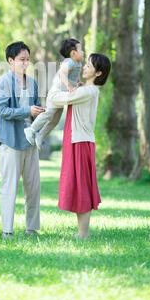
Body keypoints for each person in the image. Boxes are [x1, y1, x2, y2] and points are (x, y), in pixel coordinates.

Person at [49, 53, 111, 239]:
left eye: (89, 66)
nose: (84, 67)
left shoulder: (87, 92)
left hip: (81, 142)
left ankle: (83, 234)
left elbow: (55, 98)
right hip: (77, 140)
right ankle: (81, 232)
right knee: (78, 185)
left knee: (82, 185)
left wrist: (60, 78)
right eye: (85, 64)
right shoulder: (86, 90)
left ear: (98, 73)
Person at [0, 41, 45, 239]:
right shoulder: (2, 83)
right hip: (11, 142)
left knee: (33, 187)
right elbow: (3, 110)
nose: (25, 63)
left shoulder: (32, 83)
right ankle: (7, 230)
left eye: (27, 60)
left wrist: (40, 113)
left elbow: (36, 107)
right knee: (9, 187)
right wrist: (27, 110)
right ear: (10, 61)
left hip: (30, 142)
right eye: (21, 60)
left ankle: (32, 229)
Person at [24, 38, 84, 150]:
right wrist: (69, 86)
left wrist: (77, 83)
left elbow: (74, 76)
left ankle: (40, 135)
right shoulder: (69, 62)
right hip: (56, 92)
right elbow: (62, 74)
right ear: (73, 53)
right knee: (49, 113)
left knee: (55, 120)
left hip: (62, 95)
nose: (83, 52)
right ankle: (31, 129)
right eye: (81, 50)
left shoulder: (78, 63)